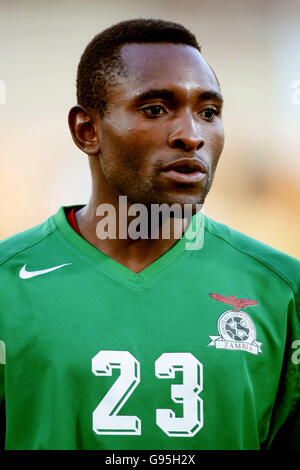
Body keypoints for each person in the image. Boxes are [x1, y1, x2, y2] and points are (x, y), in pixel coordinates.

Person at [0, 18, 299, 451]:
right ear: (87, 130)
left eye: (209, 112)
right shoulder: (8, 284)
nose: (191, 136)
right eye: (156, 109)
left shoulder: (281, 289)